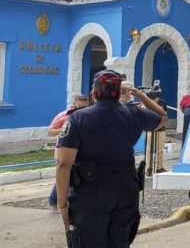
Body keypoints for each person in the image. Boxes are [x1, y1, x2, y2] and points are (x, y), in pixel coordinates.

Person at [55, 70, 168, 247]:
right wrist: (139, 94)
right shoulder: (134, 114)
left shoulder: (78, 118)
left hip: (90, 194)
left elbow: (63, 164)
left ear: (93, 93)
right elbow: (162, 117)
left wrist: (62, 205)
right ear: (119, 92)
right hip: (125, 191)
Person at [47, 95, 90, 212]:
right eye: (79, 107)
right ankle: (54, 200)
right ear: (74, 104)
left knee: (77, 176)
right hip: (63, 150)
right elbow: (50, 131)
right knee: (63, 176)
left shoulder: (88, 116)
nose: (81, 110)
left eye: (84, 108)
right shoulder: (63, 115)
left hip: (81, 151)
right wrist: (67, 128)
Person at [145, 89, 169, 174]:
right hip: (150, 129)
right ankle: (148, 167)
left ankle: (159, 167)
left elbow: (165, 115)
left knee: (160, 149)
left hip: (160, 129)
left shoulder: (163, 103)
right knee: (149, 149)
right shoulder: (147, 103)